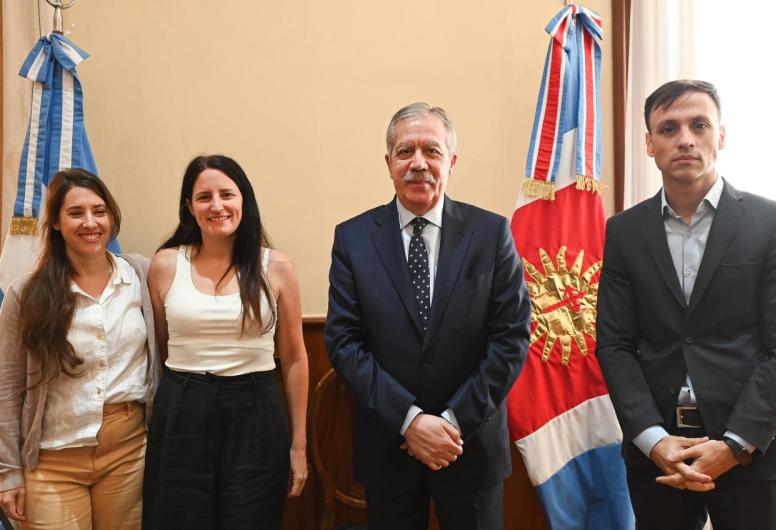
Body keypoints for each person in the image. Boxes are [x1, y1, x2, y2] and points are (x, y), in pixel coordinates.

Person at [596, 79, 776, 529]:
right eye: (669, 128)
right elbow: (614, 345)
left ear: (721, 135)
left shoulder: (772, 223)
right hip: (659, 458)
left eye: (699, 124)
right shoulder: (624, 233)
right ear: (650, 144)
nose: (685, 139)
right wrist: (653, 440)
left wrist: (733, 445)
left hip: (751, 453)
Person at [325, 103, 531, 530]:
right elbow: (345, 343)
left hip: (469, 450)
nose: (418, 163)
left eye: (431, 151)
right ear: (389, 163)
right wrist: (411, 421)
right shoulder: (353, 238)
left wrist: (452, 424)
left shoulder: (492, 234)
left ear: (451, 161)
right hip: (389, 450)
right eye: (405, 152)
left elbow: (510, 338)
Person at [142, 154, 309, 529]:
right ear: (189, 207)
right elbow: (163, 346)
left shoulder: (276, 266)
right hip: (183, 407)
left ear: (243, 201)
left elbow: (296, 358)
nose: (217, 206)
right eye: (204, 197)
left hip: (256, 411)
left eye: (227, 195)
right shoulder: (166, 265)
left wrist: (299, 446)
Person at [0, 168, 160, 529]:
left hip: (128, 455)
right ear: (55, 222)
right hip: (51, 462)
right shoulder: (25, 295)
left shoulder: (141, 275)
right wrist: (8, 472)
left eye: (99, 210)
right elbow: (7, 389)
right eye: (75, 213)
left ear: (112, 215)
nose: (90, 222)